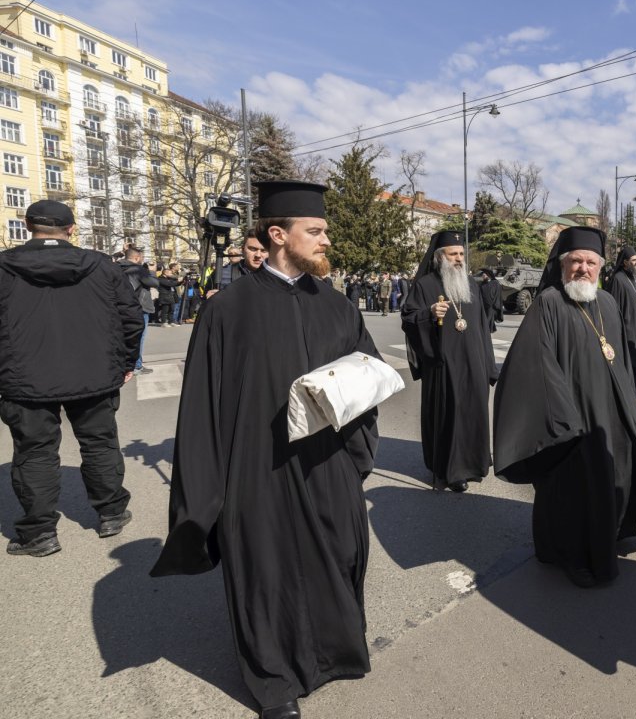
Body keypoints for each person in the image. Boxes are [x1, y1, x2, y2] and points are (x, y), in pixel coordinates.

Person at [151, 181, 383, 719]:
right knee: (269, 573)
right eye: (317, 231)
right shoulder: (228, 310)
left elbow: (371, 378)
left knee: (339, 554)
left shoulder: (338, 306)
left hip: (330, 466)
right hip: (258, 472)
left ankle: (335, 654)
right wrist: (212, 493)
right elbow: (203, 411)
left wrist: (354, 461)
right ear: (278, 235)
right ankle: (274, 681)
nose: (327, 240)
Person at [492, 226, 636, 588]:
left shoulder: (607, 303)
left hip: (611, 411)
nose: (583, 268)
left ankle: (610, 534)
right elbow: (535, 366)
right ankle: (574, 555)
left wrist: (627, 409)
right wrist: (565, 418)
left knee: (617, 473)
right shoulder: (549, 303)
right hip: (572, 418)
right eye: (575, 261)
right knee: (575, 490)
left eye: (590, 262)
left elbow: (616, 357)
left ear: (600, 267)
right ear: (562, 264)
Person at [0, 200, 142, 557]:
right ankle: (110, 513)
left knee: (34, 452)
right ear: (72, 229)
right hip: (93, 374)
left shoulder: (4, 266)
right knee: (100, 443)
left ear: (28, 225)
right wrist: (125, 362)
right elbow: (131, 318)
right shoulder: (101, 266)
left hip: (24, 379)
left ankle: (39, 533)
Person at [401, 231, 496, 491]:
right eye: (453, 254)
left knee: (473, 412)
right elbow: (408, 319)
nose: (459, 259)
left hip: (473, 363)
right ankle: (450, 470)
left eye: (462, 254)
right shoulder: (426, 285)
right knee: (450, 414)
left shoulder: (471, 284)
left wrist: (489, 365)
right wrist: (428, 313)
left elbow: (481, 327)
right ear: (439, 257)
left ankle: (474, 463)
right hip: (444, 365)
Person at [605, 245, 636, 395]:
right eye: (633, 260)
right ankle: (634, 384)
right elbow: (614, 306)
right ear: (625, 262)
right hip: (626, 325)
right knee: (630, 356)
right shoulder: (618, 279)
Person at [118, 245, 158, 374]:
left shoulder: (117, 267)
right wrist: (152, 271)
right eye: (142, 258)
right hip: (139, 307)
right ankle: (136, 365)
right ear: (137, 257)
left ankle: (124, 364)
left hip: (121, 306)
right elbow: (154, 283)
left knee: (123, 336)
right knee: (138, 337)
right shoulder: (138, 270)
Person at [477, 268, 505, 333]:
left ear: (489, 275)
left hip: (492, 306)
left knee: (487, 320)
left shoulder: (495, 283)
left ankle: (486, 332)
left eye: (485, 274)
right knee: (486, 320)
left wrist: (494, 304)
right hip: (484, 306)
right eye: (483, 274)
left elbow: (497, 294)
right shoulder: (482, 284)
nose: (483, 275)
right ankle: (490, 330)